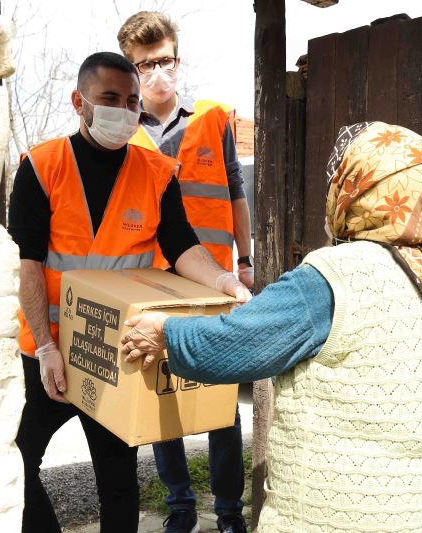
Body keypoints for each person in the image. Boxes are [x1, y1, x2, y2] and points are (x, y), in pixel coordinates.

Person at [121, 122, 422, 532]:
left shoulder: (334, 277)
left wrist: (165, 331)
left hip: (341, 519)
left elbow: (232, 345)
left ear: (355, 190)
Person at [7, 51, 251, 533]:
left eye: (132, 100)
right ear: (80, 101)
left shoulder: (157, 171)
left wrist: (224, 280)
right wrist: (50, 345)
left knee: (118, 481)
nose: (125, 108)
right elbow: (28, 263)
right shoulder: (41, 166)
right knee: (17, 463)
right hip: (47, 350)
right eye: (110, 98)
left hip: (116, 347)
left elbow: (182, 246)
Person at [116, 12, 251, 533]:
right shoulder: (122, 133)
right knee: (161, 397)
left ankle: (228, 512)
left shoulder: (214, 119)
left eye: (164, 60)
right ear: (130, 68)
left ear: (179, 58)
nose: (157, 72)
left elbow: (235, 193)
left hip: (215, 277)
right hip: (152, 279)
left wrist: (243, 260)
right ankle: (179, 508)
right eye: (144, 64)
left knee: (222, 401)